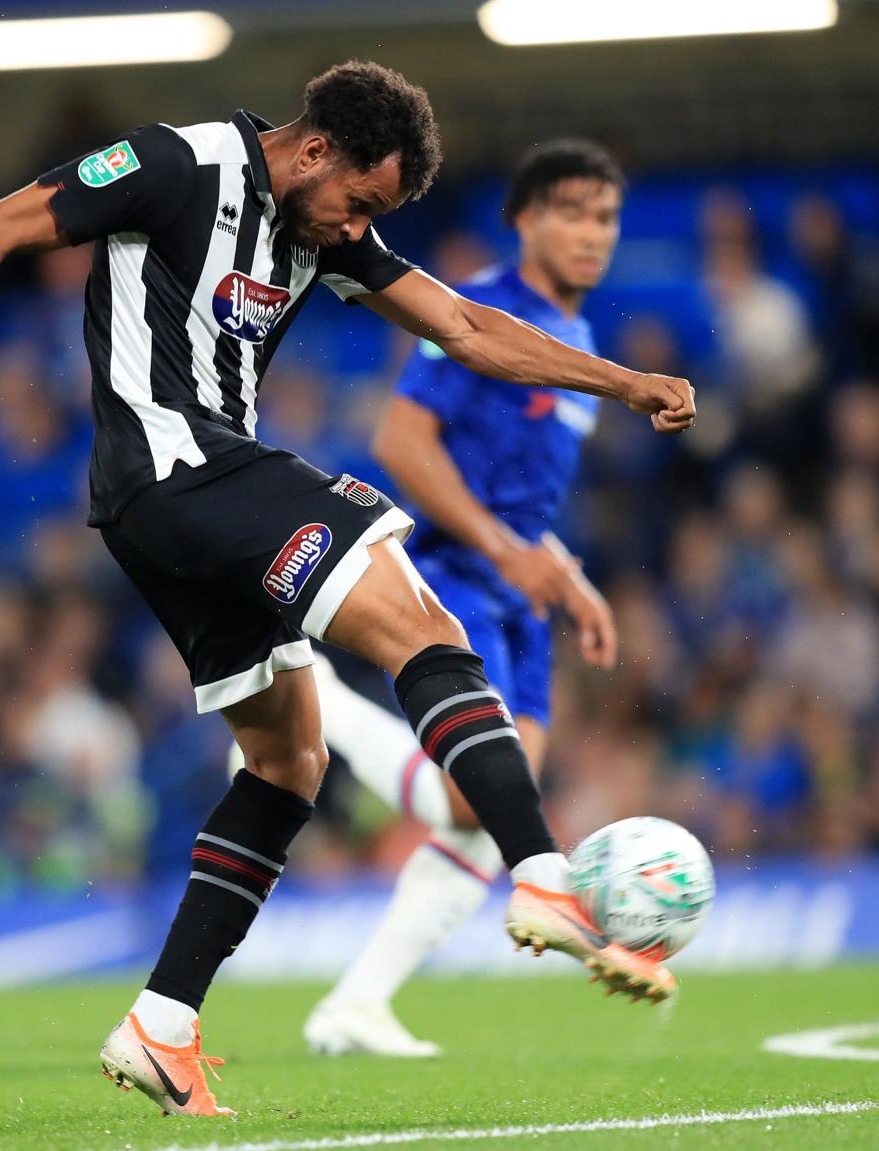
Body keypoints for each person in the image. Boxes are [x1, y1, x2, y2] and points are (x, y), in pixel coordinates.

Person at [0, 62, 695, 1118]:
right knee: (424, 625)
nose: (350, 231)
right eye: (357, 204)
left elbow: (464, 326)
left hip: (163, 512)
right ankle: (544, 874)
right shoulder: (173, 162)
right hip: (180, 469)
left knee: (288, 762)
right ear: (315, 150)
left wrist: (626, 381)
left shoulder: (322, 229)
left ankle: (162, 1023)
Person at [282, 139, 628, 1058]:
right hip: (450, 572)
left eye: (604, 218)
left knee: (495, 807)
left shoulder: (578, 341)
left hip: (517, 584)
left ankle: (356, 1003)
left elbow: (518, 491)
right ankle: (322, 708)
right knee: (481, 799)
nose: (591, 234)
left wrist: (564, 569)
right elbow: (401, 442)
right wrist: (510, 551)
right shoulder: (482, 310)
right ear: (524, 220)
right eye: (570, 213)